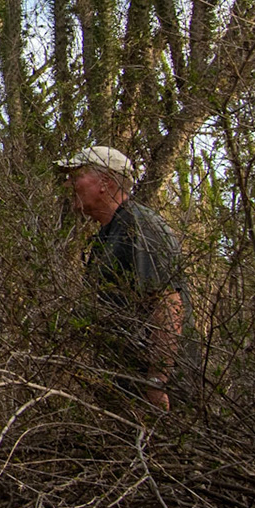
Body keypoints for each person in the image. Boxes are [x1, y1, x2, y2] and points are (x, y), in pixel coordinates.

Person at [56, 145, 187, 411]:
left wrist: (156, 383)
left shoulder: (140, 226)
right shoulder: (108, 234)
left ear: (104, 182)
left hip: (157, 395)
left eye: (76, 175)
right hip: (127, 387)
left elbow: (168, 305)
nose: (67, 182)